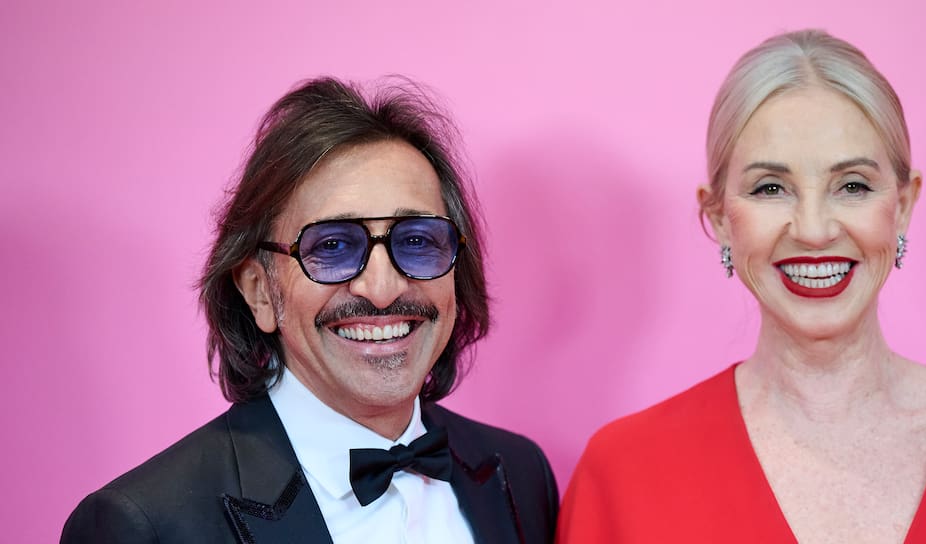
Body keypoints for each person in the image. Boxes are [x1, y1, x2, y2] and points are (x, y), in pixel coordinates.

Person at [557, 29, 926, 543]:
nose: (814, 230)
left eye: (852, 185)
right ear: (720, 217)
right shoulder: (622, 473)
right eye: (771, 188)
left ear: (903, 205)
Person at [62, 77, 558, 544]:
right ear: (260, 292)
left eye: (416, 240)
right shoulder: (143, 526)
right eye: (333, 245)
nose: (382, 288)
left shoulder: (519, 474)